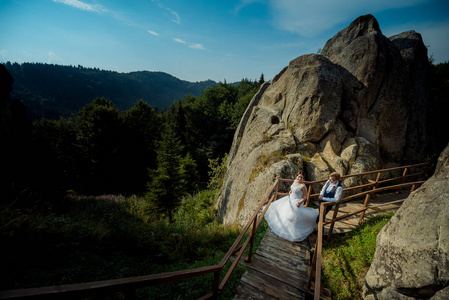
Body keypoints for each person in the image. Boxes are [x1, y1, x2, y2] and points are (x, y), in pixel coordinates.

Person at [264, 171, 318, 242]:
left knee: (293, 215)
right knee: (284, 211)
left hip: (297, 201)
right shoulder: (295, 181)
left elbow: (305, 197)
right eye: (299, 177)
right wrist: (290, 191)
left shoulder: (303, 186)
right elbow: (292, 187)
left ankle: (294, 229)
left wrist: (299, 203)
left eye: (301, 177)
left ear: (303, 178)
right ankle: (284, 227)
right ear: (296, 176)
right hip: (290, 198)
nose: (300, 178)